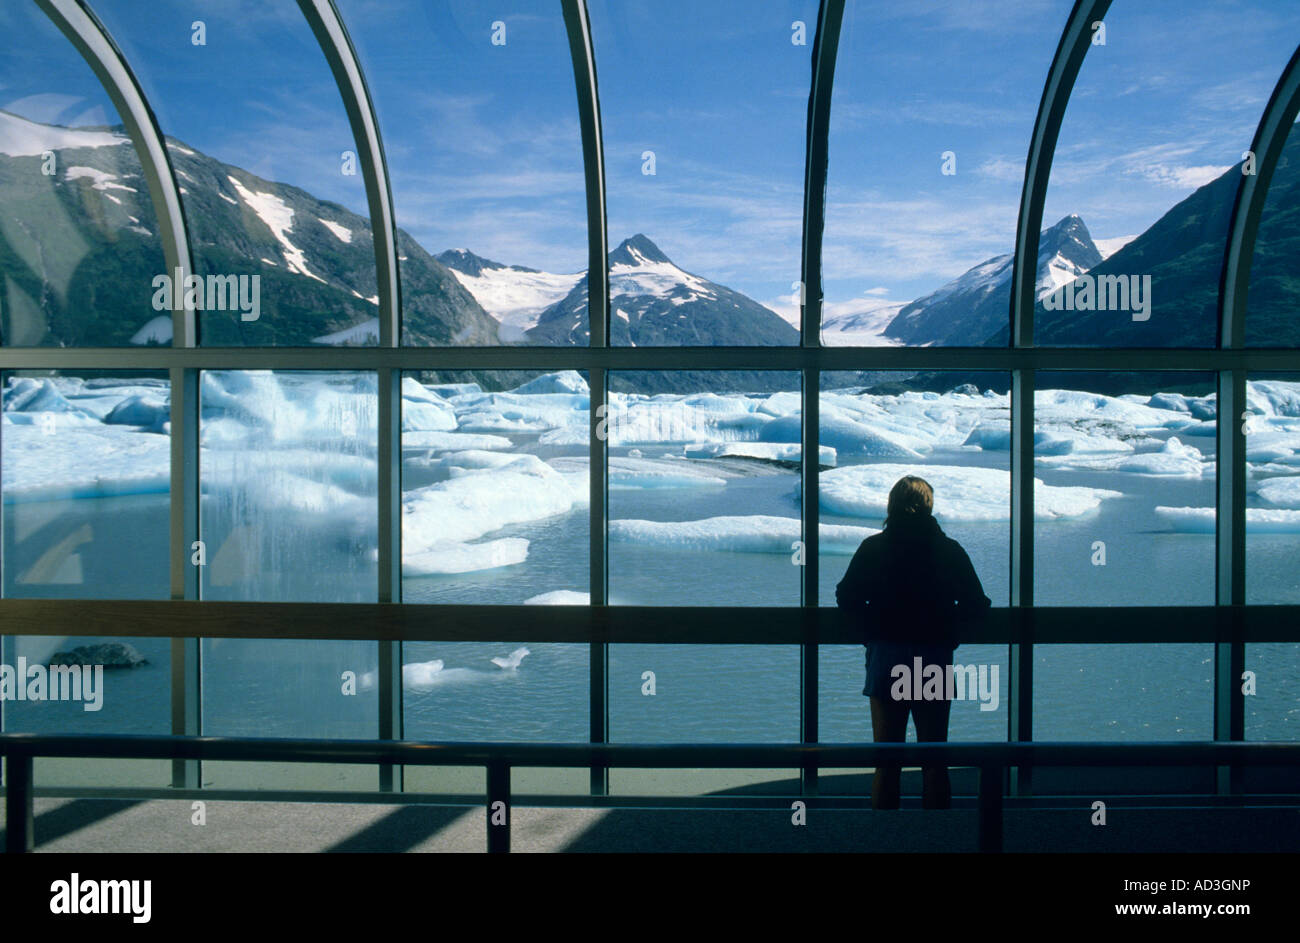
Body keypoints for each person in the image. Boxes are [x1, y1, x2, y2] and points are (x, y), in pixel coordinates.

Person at [835, 475, 990, 810]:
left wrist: (871, 628)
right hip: (933, 657)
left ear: (891, 506)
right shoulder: (949, 551)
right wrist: (950, 630)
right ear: (929, 508)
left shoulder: (873, 548)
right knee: (934, 757)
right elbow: (977, 604)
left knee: (887, 760)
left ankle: (888, 838)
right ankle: (934, 837)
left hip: (887, 656)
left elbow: (846, 597)